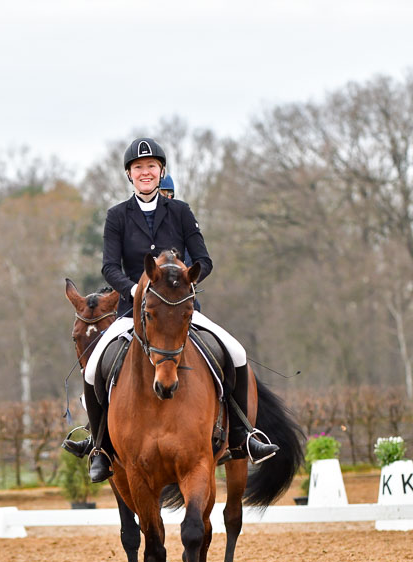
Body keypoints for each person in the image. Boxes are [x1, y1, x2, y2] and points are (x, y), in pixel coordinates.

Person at [64, 138, 279, 482]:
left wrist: (183, 283)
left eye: (151, 167)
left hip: (180, 310)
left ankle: (242, 435)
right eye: (138, 168)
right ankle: (100, 446)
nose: (145, 172)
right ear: (129, 175)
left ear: (161, 171)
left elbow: (204, 260)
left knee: (236, 352)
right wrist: (137, 290)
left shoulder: (180, 211)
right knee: (93, 372)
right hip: (136, 311)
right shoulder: (117, 216)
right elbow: (109, 267)